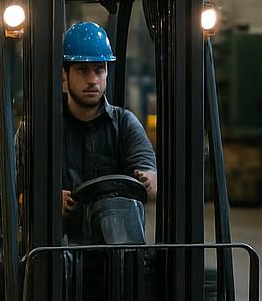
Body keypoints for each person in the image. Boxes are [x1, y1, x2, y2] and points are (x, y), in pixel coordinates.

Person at [18, 21, 158, 240]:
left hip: (115, 251)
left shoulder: (125, 124)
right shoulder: (40, 128)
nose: (92, 80)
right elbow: (13, 190)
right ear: (64, 74)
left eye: (99, 70)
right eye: (82, 70)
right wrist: (44, 200)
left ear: (107, 73)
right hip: (53, 253)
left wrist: (149, 180)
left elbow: (148, 173)